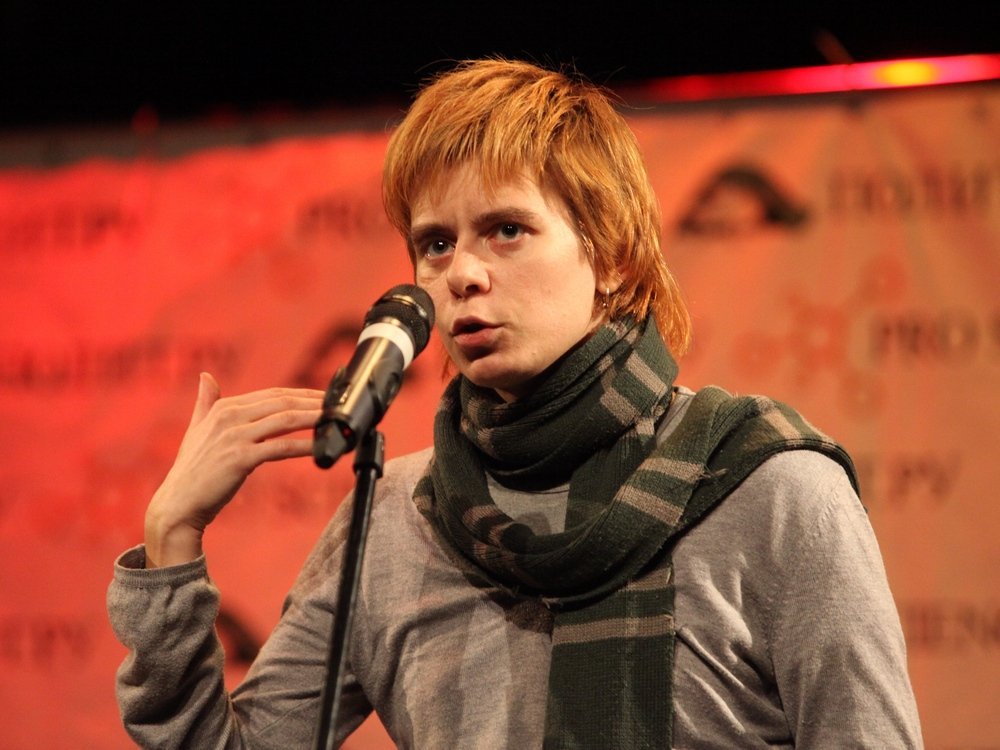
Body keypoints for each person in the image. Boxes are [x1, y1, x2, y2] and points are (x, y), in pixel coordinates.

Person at [108, 58, 923, 749]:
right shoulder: (392, 520)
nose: (462, 273)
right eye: (435, 243)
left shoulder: (771, 490)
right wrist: (171, 541)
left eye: (506, 230)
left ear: (610, 254)